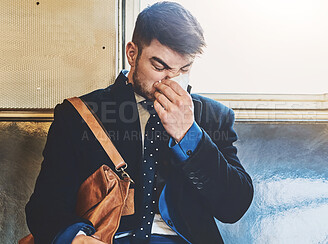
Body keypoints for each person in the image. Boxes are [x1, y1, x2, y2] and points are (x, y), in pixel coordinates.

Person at [25, 2, 253, 243]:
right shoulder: (78, 115)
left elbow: (233, 207)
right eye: (159, 66)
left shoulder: (213, 116)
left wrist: (189, 134)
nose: (172, 80)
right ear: (132, 54)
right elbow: (44, 206)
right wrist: (76, 237)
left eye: (184, 68)